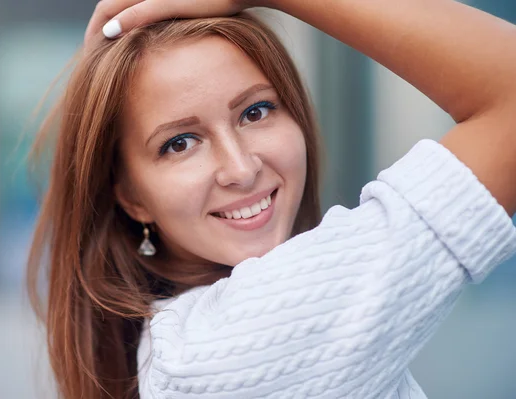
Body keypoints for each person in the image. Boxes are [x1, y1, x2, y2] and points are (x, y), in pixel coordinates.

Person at [28, 0, 516, 398]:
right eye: (180, 143)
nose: (241, 168)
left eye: (255, 111)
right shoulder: (237, 340)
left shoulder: (177, 344)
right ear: (131, 198)